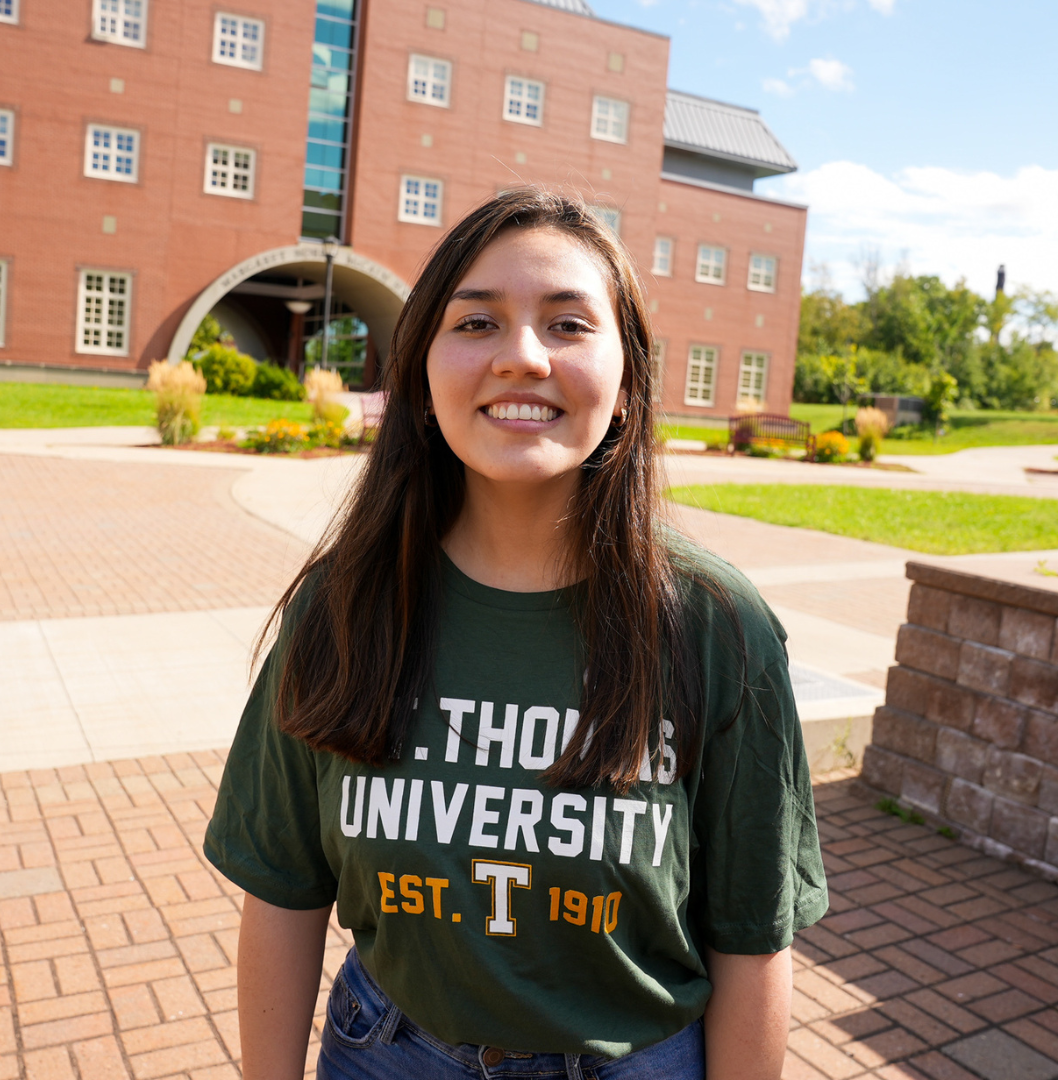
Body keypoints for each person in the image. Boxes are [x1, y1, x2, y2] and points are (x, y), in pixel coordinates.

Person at [204, 188, 828, 1080]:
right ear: (421, 371)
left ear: (628, 382)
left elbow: (753, 937)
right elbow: (282, 891)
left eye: (569, 325)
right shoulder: (341, 607)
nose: (522, 358)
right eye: (476, 323)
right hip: (389, 1053)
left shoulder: (716, 627)